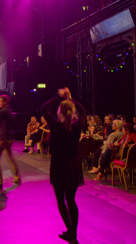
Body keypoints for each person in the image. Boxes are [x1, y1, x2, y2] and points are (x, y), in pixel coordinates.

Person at [40, 87, 87, 243]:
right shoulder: (78, 125)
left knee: (61, 200)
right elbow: (84, 110)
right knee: (71, 200)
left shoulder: (56, 126)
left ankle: (70, 230)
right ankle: (73, 232)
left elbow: (44, 108)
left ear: (59, 111)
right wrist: (70, 97)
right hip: (73, 165)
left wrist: (58, 96)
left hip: (59, 165)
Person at [0, 95, 21, 186]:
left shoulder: (4, 112)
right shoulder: (9, 112)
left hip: (2, 139)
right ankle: (17, 177)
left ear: (5, 102)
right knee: (10, 158)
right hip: (9, 138)